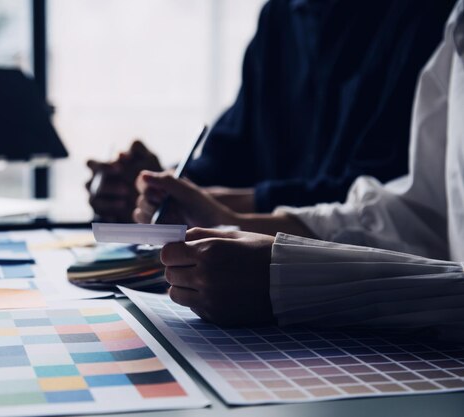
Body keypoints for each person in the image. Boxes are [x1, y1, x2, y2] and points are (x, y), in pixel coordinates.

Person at [156, 1, 464, 342]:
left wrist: (288, 283)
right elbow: (422, 214)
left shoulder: (426, 15)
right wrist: (228, 217)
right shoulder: (457, 24)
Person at [87, 0, 454, 223]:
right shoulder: (280, 16)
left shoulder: (428, 17)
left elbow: (385, 196)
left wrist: (205, 201)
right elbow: (229, 158)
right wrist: (154, 184)